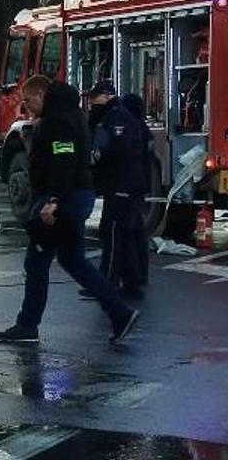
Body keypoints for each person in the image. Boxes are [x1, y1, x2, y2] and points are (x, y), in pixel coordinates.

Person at [0, 77, 141, 345]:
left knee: (37, 262)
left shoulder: (57, 122)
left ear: (41, 95)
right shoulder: (71, 115)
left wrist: (53, 200)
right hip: (74, 196)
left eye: (28, 100)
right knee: (73, 261)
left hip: (64, 198)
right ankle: (120, 313)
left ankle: (28, 326)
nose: (25, 107)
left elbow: (63, 162)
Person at [90, 82, 150, 298]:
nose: (92, 102)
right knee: (125, 234)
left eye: (95, 98)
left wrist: (99, 160)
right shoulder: (113, 116)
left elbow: (116, 149)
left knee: (113, 232)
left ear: (106, 96)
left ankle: (107, 283)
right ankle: (131, 283)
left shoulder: (116, 118)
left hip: (122, 184)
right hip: (123, 184)